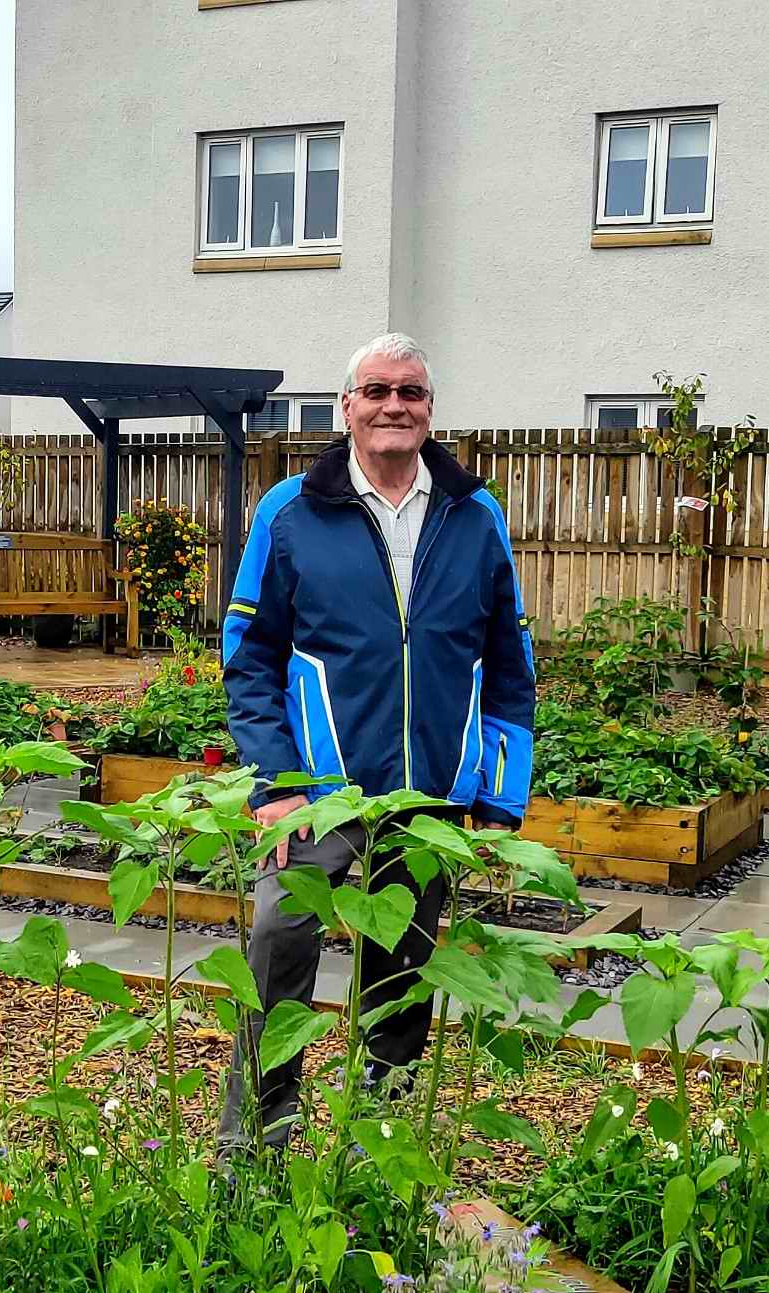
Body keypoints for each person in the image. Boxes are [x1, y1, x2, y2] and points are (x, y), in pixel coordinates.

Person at [216, 331, 536, 1151]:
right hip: (319, 792)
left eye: (413, 392)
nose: (396, 405)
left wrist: (498, 797)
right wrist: (276, 784)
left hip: (429, 792)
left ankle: (375, 1139)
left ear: (430, 410)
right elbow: (249, 660)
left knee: (402, 971)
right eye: (379, 390)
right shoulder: (289, 513)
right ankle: (254, 1141)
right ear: (346, 407)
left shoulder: (475, 514)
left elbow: (509, 664)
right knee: (281, 941)